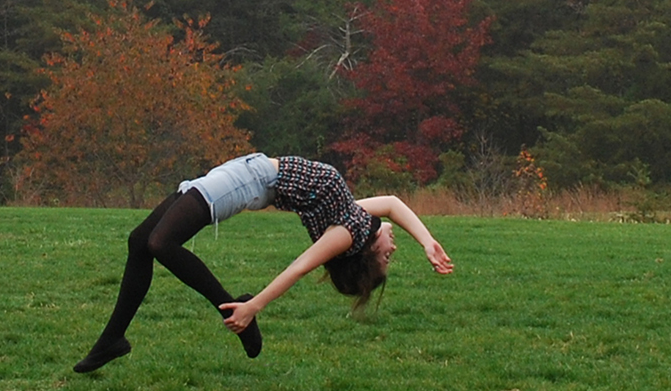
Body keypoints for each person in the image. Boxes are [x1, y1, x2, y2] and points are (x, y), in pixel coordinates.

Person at [72, 152, 455, 374]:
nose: (393, 249)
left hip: (249, 182)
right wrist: (427, 242)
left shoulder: (346, 234)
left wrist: (254, 306)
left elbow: (298, 268)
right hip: (246, 172)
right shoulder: (353, 216)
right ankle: (112, 340)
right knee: (140, 242)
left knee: (161, 243)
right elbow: (392, 203)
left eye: (387, 257)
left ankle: (234, 310)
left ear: (367, 254)